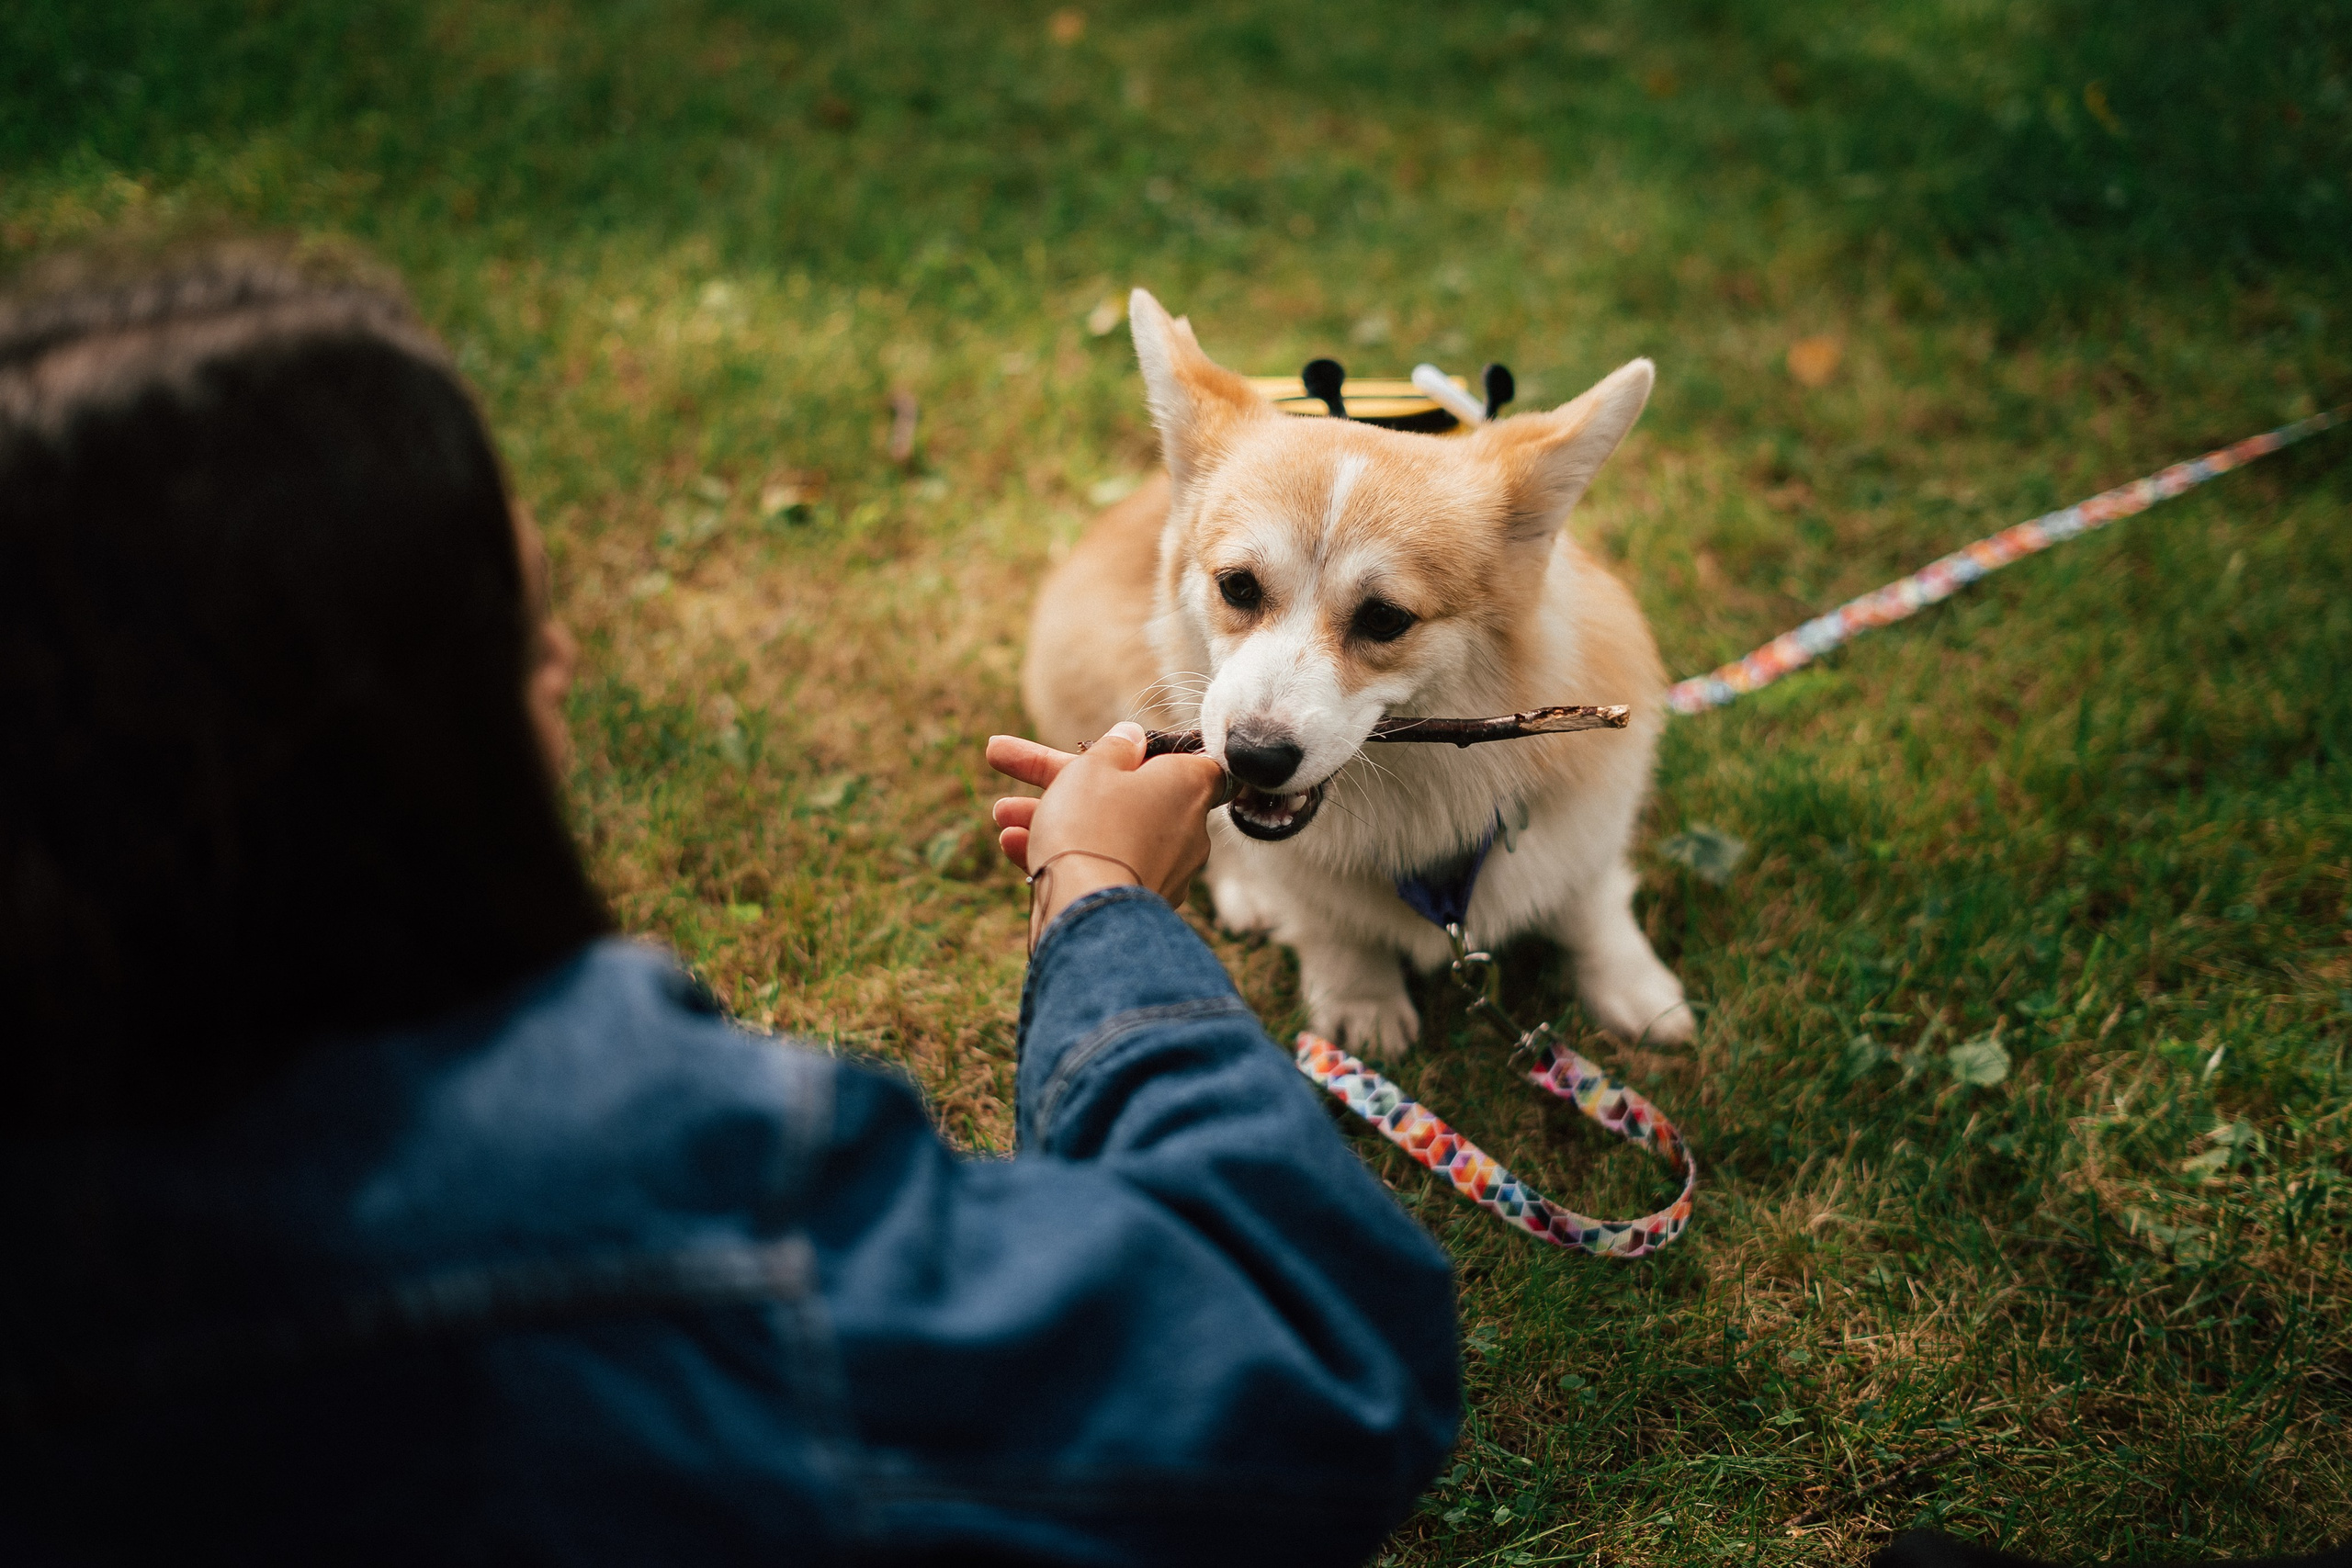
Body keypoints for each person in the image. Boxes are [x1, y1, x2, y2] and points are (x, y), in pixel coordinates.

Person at [0, 243, 1458, 1565]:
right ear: (354, 734)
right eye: (515, 632)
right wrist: (1101, 909)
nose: (566, 655)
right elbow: (1305, 1350)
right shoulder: (637, 1187)